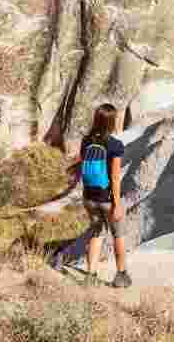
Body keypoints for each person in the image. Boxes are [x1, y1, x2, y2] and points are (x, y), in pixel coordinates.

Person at [55, 103, 130, 288]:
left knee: (96, 233)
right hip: (106, 199)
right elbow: (114, 176)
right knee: (117, 235)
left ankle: (91, 276)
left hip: (89, 198)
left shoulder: (86, 141)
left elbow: (81, 165)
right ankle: (121, 276)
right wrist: (117, 203)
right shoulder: (114, 145)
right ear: (112, 122)